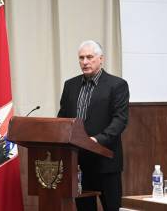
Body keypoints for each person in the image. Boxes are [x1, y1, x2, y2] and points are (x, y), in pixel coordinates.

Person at [57, 40, 130, 211]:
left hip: (105, 161)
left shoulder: (117, 85)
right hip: (78, 163)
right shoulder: (70, 85)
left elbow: (120, 120)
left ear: (101, 59)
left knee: (112, 207)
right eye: (81, 58)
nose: (85, 62)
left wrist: (97, 140)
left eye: (90, 57)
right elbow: (62, 118)